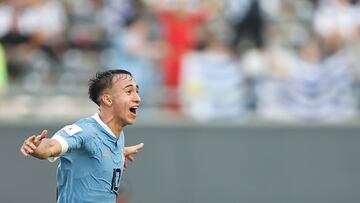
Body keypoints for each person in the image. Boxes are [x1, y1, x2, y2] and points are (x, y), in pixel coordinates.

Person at [20, 69, 144, 203]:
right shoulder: (85, 131)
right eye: (128, 91)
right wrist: (37, 147)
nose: (137, 98)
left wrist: (118, 153)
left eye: (137, 91)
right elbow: (51, 146)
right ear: (108, 99)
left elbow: (99, 152)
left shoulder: (117, 136)